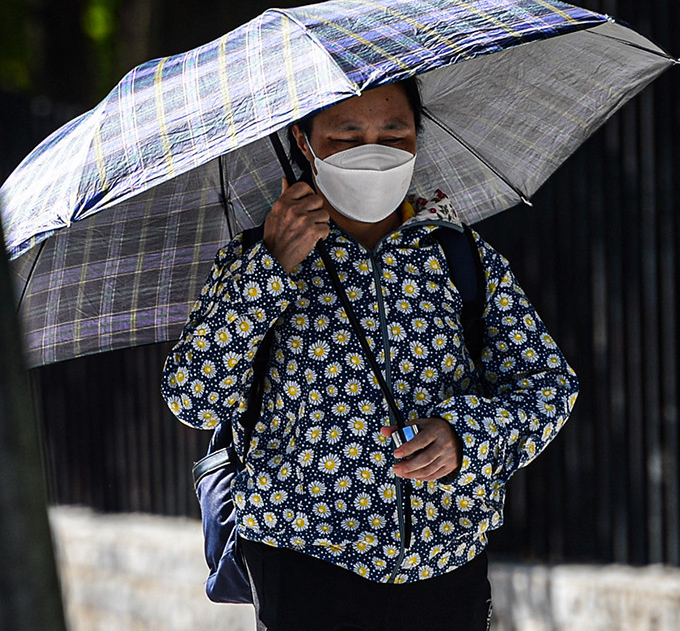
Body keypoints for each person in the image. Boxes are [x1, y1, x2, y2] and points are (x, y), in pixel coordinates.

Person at [161, 77, 579, 630]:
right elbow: (194, 398)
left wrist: (463, 436)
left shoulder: (458, 254)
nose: (373, 153)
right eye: (346, 137)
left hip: (447, 565)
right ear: (303, 142)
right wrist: (270, 268)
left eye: (394, 135)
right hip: (304, 569)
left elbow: (548, 387)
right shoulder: (255, 259)